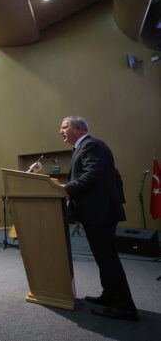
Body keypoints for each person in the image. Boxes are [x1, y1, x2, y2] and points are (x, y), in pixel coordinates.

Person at [60, 116, 137, 320]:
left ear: (78, 129)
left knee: (108, 259)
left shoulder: (91, 145)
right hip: (99, 212)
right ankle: (110, 295)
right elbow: (114, 175)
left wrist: (65, 189)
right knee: (104, 258)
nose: (61, 131)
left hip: (99, 214)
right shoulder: (88, 147)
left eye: (64, 127)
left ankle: (124, 306)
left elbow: (91, 176)